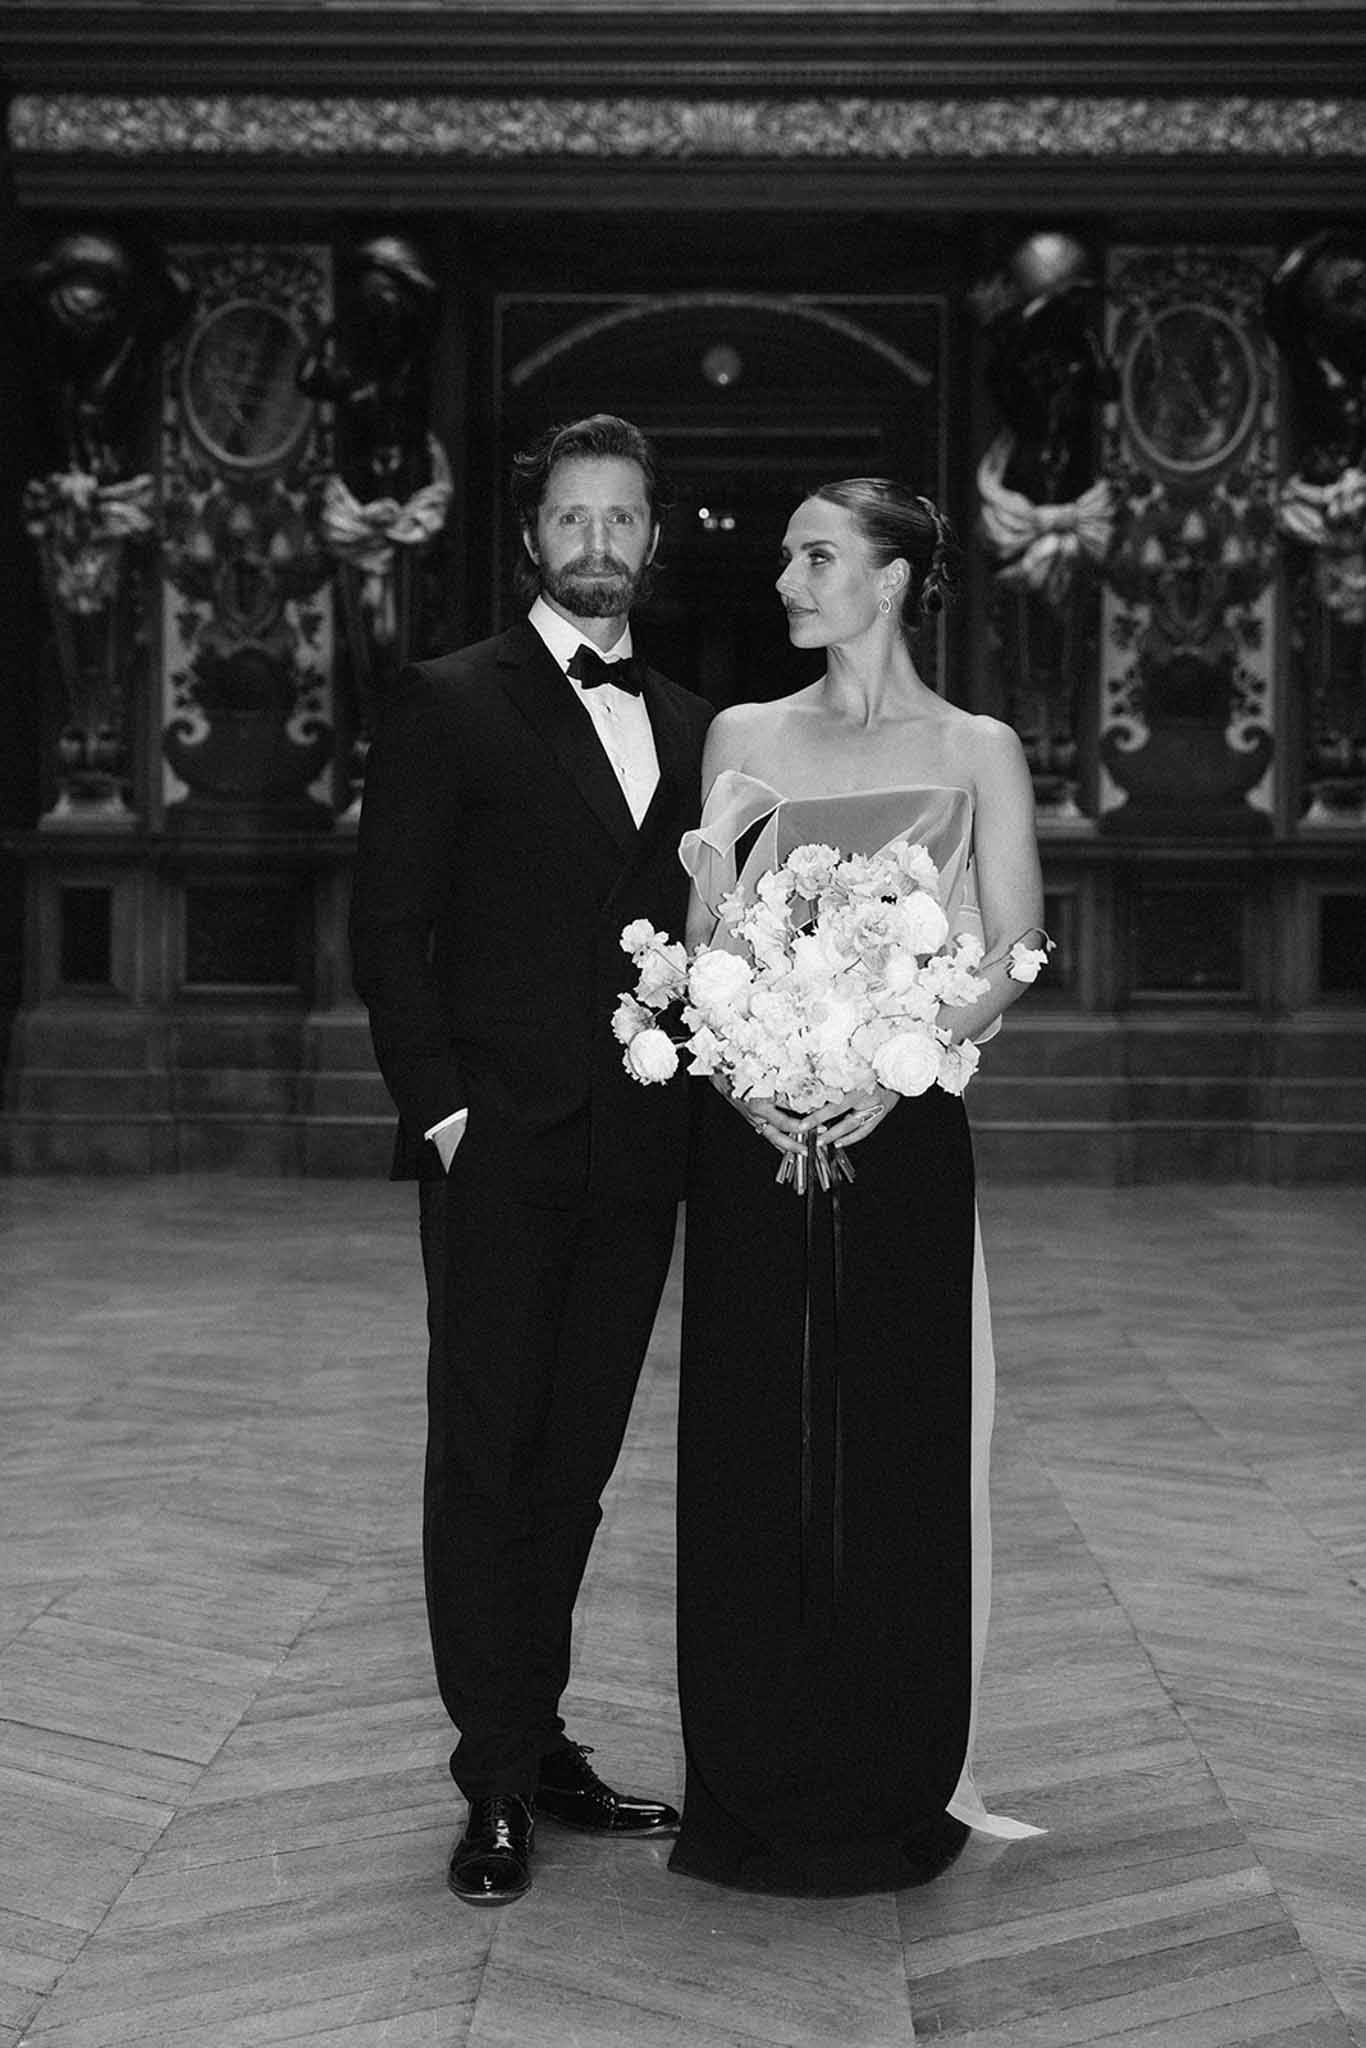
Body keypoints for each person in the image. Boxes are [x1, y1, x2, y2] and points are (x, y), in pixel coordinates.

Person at [350, 414, 713, 1907]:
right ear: (531, 538)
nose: (599, 543)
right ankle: (491, 1778)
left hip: (639, 1155)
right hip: (495, 1148)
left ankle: (535, 1728)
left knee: (573, 1464)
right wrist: (444, 1117)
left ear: (650, 539)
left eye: (623, 519)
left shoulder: (704, 730)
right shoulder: (449, 702)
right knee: (484, 1459)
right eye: (574, 518)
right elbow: (389, 931)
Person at [668, 477, 1046, 1895]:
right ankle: (751, 1779)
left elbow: (1013, 946)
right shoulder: (740, 735)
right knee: (752, 1444)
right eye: (782, 555)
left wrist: (895, 1058)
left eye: (814, 555)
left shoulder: (976, 747)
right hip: (753, 1131)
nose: (783, 577)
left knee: (892, 1437)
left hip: (902, 1134)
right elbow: (706, 938)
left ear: (888, 579)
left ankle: (891, 1773)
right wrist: (746, 1068)